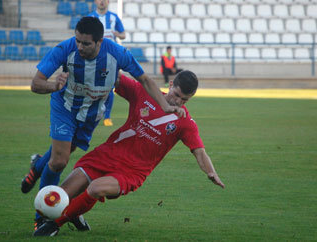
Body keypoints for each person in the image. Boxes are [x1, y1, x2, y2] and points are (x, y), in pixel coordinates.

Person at [20, 16, 184, 232]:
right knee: (60, 160)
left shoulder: (117, 53)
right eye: (77, 40)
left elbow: (144, 79)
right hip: (65, 107)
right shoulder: (65, 49)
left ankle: (38, 166)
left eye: (85, 43)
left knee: (66, 150)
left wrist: (164, 105)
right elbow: (35, 83)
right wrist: (53, 85)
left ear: (99, 42)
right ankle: (42, 215)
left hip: (93, 112)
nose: (79, 46)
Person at [33, 70, 225, 236]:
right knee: (64, 193)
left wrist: (211, 172)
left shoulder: (185, 123)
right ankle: (66, 213)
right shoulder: (145, 93)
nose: (178, 101)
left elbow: (199, 152)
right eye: (176, 95)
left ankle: (54, 225)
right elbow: (117, 78)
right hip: (106, 155)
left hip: (132, 171)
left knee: (95, 188)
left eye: (185, 99)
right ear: (171, 84)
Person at [88, 0, 126, 127]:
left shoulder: (114, 17)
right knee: (90, 86)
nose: (102, 2)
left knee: (109, 87)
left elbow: (123, 35)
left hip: (110, 58)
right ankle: (91, 113)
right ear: (95, 1)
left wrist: (116, 34)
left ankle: (107, 117)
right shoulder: (90, 18)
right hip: (93, 58)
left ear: (108, 2)